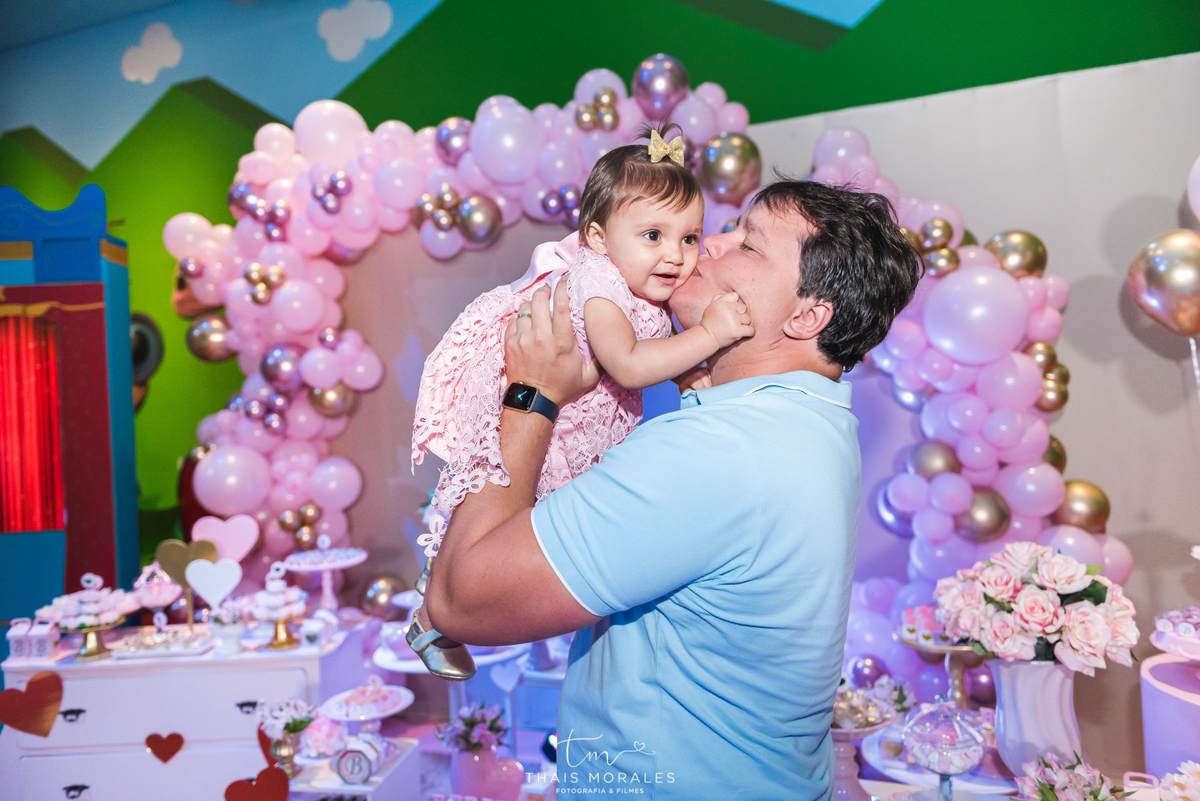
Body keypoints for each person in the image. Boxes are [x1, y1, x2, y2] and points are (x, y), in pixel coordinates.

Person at [422, 179, 921, 799]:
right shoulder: (811, 419)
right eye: (729, 228)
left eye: (748, 245)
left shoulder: (722, 451)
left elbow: (461, 602)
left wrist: (531, 393)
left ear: (806, 316)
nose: (708, 244)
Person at [407, 125, 753, 680]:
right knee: (503, 520)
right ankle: (434, 610)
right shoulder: (599, 283)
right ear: (597, 237)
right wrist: (709, 336)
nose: (676, 255)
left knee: (533, 533)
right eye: (653, 235)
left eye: (689, 237)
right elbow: (630, 363)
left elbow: (658, 350)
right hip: (553, 416)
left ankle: (441, 604)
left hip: (578, 420)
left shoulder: (643, 282)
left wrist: (692, 375)